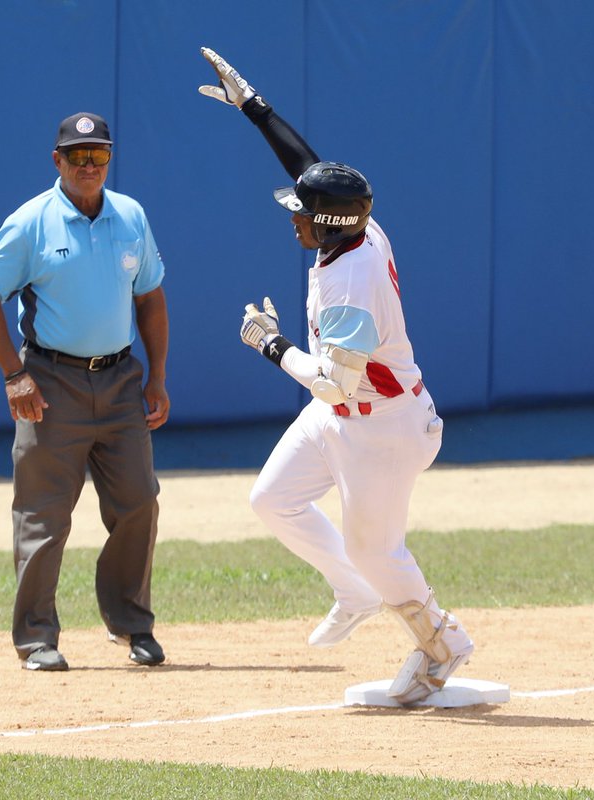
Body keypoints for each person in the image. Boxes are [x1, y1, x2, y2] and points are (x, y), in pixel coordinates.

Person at [197, 48, 473, 703]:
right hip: (347, 416)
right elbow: (309, 168)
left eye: (302, 210)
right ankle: (353, 590)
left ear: (327, 222)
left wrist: (270, 346)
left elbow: (333, 385)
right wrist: (254, 107)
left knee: (378, 550)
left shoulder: (351, 279)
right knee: (273, 499)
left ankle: (441, 646)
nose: (293, 214)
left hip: (382, 427)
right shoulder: (354, 228)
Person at [0, 111, 170, 672]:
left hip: (122, 379)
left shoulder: (130, 216)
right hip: (51, 384)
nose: (89, 166)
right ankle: (36, 638)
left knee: (138, 503)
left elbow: (150, 297)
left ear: (109, 159)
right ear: (57, 161)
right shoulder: (33, 221)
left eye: (98, 155)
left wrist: (155, 377)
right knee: (44, 514)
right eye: (77, 157)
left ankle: (132, 624)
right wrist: (15, 374)